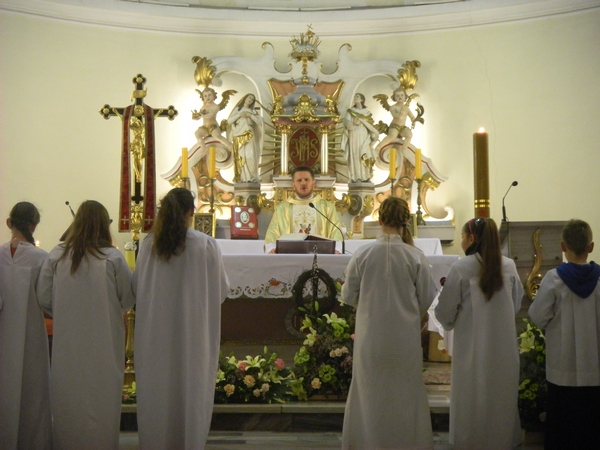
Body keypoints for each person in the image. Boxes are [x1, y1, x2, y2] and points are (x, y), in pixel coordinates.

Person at [133, 187, 229, 449]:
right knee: (191, 386)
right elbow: (221, 291)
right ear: (191, 212)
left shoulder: (149, 244)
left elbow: (137, 287)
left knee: (158, 387)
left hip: (156, 333)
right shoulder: (205, 244)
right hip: (193, 332)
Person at [37, 200, 135, 450]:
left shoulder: (57, 255)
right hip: (104, 344)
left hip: (68, 345)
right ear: (104, 224)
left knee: (69, 398)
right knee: (102, 400)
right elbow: (128, 298)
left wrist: (66, 313)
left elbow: (44, 299)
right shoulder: (112, 257)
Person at [340, 197, 437, 450]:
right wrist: (408, 312)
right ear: (405, 220)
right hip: (404, 338)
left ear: (380, 219)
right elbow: (428, 297)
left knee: (369, 392)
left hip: (370, 337)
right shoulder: (414, 256)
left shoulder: (363, 254)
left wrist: (369, 306)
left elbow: (348, 295)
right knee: (405, 393)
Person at [435, 217, 524, 449]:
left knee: (471, 397)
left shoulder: (461, 268)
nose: (462, 241)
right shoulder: (509, 266)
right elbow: (515, 304)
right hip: (503, 348)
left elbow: (445, 312)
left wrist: (451, 321)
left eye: (463, 236)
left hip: (471, 350)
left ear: (472, 238)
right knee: (501, 396)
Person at [528, 219, 600, 450]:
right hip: (595, 369)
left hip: (562, 369)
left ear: (562, 246)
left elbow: (538, 316)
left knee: (562, 430)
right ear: (591, 247)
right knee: (592, 428)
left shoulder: (554, 279)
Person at [0, 202, 52, 449]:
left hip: (3, 337)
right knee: (32, 392)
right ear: (33, 226)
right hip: (31, 336)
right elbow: (48, 300)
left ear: (9, 223)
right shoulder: (41, 257)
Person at [264, 166, 344, 254]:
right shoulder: (282, 209)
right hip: (289, 257)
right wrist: (272, 248)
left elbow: (336, 232)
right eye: (299, 180)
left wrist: (337, 249)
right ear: (293, 185)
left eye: (306, 180)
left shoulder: (327, 207)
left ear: (313, 183)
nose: (303, 183)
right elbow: (272, 233)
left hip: (321, 257)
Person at [341, 93, 379, 183]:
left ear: (362, 99)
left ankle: (366, 176)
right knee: (355, 154)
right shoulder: (350, 111)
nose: (355, 98)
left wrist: (373, 135)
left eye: (357, 97)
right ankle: (356, 177)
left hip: (364, 133)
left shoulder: (367, 113)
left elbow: (370, 126)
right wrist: (353, 123)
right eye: (354, 96)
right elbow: (347, 124)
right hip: (354, 133)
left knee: (365, 153)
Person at [228, 93, 263, 183]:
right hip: (238, 134)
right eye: (249, 97)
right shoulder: (237, 109)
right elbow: (229, 121)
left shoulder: (253, 112)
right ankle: (243, 178)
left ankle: (252, 176)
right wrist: (240, 114)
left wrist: (250, 115)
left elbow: (260, 122)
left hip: (249, 135)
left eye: (252, 99)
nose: (250, 100)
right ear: (245, 98)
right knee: (240, 156)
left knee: (250, 156)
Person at [192, 87, 233, 152]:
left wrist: (202, 115)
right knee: (197, 133)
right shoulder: (203, 106)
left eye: (209, 95)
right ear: (203, 98)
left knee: (217, 136)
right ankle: (203, 147)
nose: (207, 97)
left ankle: (229, 145)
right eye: (205, 96)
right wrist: (196, 116)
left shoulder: (216, 106)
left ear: (214, 96)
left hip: (213, 127)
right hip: (205, 127)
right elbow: (200, 116)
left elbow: (211, 115)